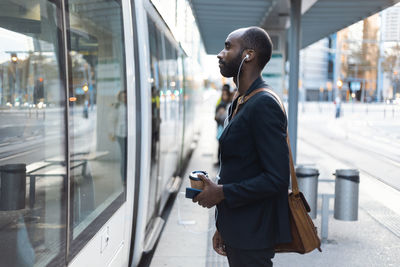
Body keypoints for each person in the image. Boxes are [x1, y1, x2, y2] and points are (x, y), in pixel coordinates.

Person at [193, 26, 291, 267]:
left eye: (228, 47)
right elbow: (240, 168)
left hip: (253, 236)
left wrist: (221, 192)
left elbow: (277, 179)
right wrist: (224, 226)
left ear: (248, 55)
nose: (219, 54)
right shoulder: (241, 101)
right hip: (240, 229)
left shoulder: (263, 104)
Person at [215, 84, 231, 165]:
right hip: (220, 127)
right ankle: (219, 161)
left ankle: (222, 161)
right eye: (223, 94)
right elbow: (216, 116)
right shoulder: (220, 102)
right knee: (220, 144)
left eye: (226, 94)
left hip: (226, 128)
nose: (224, 96)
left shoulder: (230, 104)